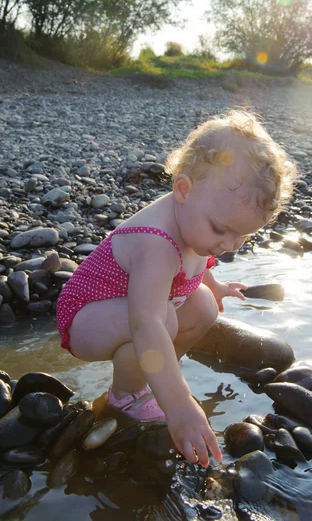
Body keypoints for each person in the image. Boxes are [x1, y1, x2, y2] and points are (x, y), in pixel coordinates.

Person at [56, 110, 296, 468]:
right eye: (221, 230)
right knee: (162, 320)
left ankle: (154, 374)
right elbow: (146, 323)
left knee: (203, 306)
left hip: (121, 314)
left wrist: (214, 283)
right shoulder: (155, 242)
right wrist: (180, 403)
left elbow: (197, 265)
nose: (229, 244)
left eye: (243, 236)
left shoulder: (197, 221)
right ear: (183, 189)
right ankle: (127, 395)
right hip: (84, 319)